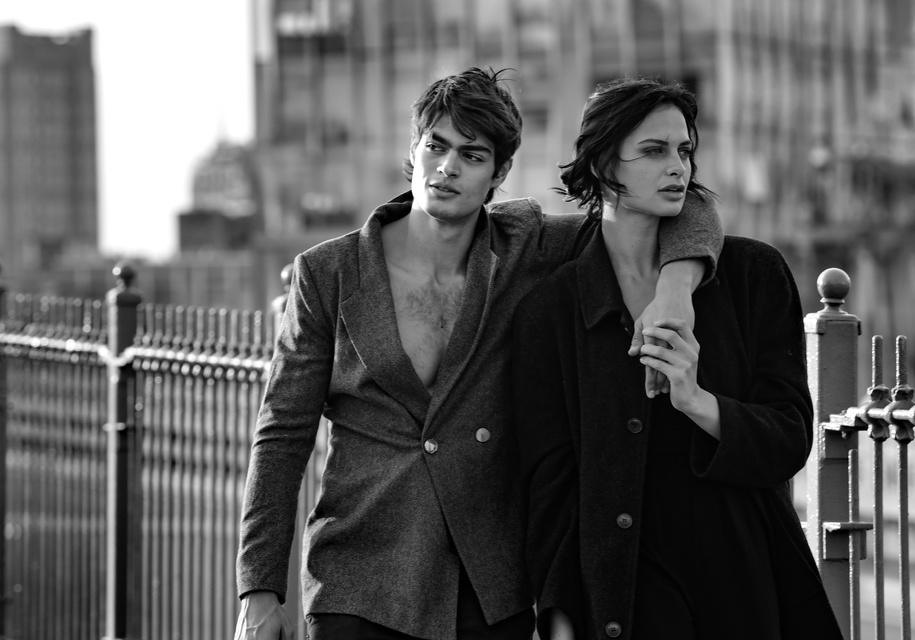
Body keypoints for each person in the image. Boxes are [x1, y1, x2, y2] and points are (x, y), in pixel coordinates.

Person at [234, 68, 723, 640]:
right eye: (435, 146)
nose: (447, 167)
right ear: (412, 150)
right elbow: (283, 433)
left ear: (500, 172)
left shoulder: (527, 246)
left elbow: (685, 207)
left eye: (472, 155)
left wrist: (675, 289)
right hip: (358, 580)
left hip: (490, 585)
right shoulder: (329, 273)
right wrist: (260, 590)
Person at [512, 77, 844, 640]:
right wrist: (559, 617)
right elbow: (550, 489)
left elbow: (790, 437)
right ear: (602, 164)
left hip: (745, 579)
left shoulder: (753, 276)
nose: (677, 168)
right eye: (653, 151)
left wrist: (697, 401)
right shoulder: (549, 312)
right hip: (623, 591)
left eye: (684, 150)